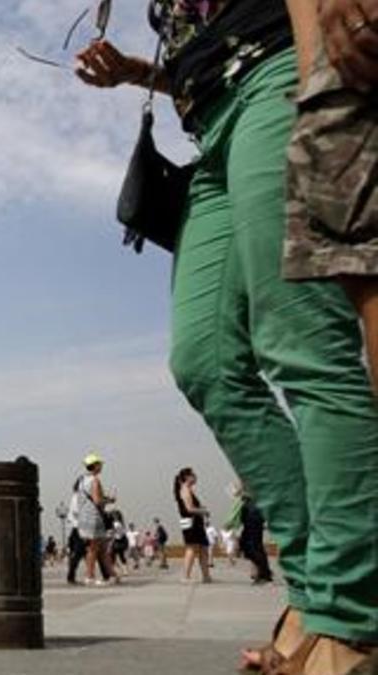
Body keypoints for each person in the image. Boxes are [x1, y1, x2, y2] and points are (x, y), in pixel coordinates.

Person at [76, 1, 378, 670]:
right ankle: (313, 589)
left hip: (277, 74)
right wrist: (137, 72)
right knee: (204, 360)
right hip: (211, 129)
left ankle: (349, 612)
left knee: (304, 343)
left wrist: (319, 83)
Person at [76, 455, 117, 587]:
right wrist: (109, 501)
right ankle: (89, 577)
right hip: (94, 518)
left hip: (84, 517)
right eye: (100, 464)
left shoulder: (82, 480)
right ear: (96, 465)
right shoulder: (94, 480)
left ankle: (112, 575)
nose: (101, 466)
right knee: (93, 549)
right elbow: (97, 501)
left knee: (102, 548)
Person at [174, 468, 212, 584]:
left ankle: (206, 576)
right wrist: (203, 511)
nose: (195, 477)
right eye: (193, 475)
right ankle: (185, 576)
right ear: (187, 477)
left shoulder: (189, 490)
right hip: (191, 523)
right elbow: (189, 509)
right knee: (191, 548)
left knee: (204, 548)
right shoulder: (185, 489)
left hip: (196, 523)